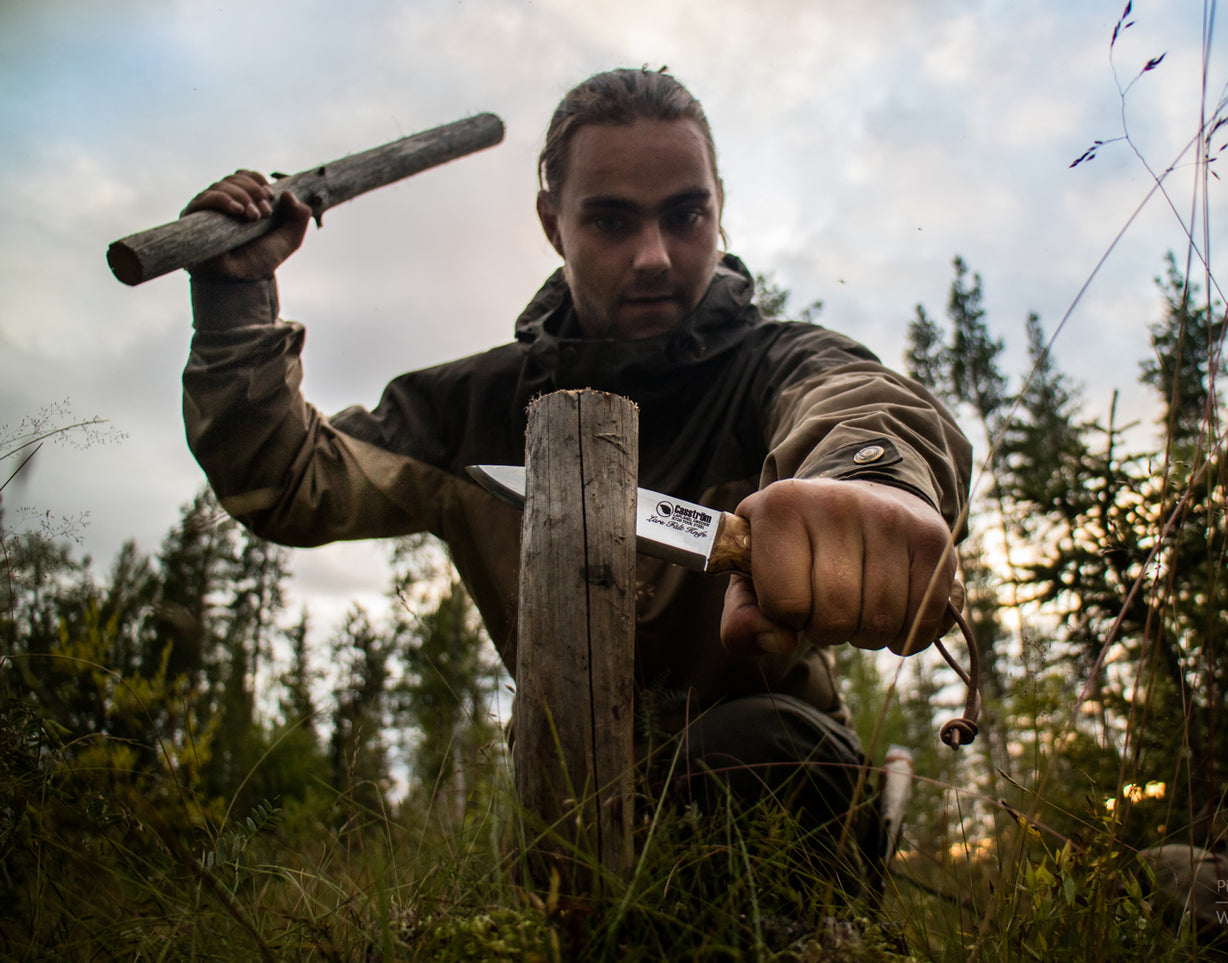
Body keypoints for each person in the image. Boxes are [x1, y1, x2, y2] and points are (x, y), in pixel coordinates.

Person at [180, 68, 972, 881]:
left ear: (720, 204)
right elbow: (286, 482)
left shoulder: (772, 365)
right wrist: (238, 310)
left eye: (685, 214)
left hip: (777, 797)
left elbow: (862, 405)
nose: (655, 256)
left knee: (756, 748)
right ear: (552, 223)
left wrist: (873, 485)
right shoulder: (472, 410)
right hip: (563, 805)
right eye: (611, 220)